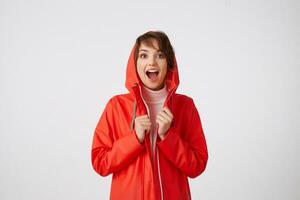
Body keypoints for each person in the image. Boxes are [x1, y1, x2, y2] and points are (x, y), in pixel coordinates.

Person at [91, 30, 208, 200]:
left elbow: (197, 165)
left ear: (169, 63)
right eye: (144, 55)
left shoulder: (185, 107)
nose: (152, 62)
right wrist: (134, 139)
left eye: (160, 55)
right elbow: (100, 163)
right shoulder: (116, 106)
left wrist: (168, 137)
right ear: (135, 63)